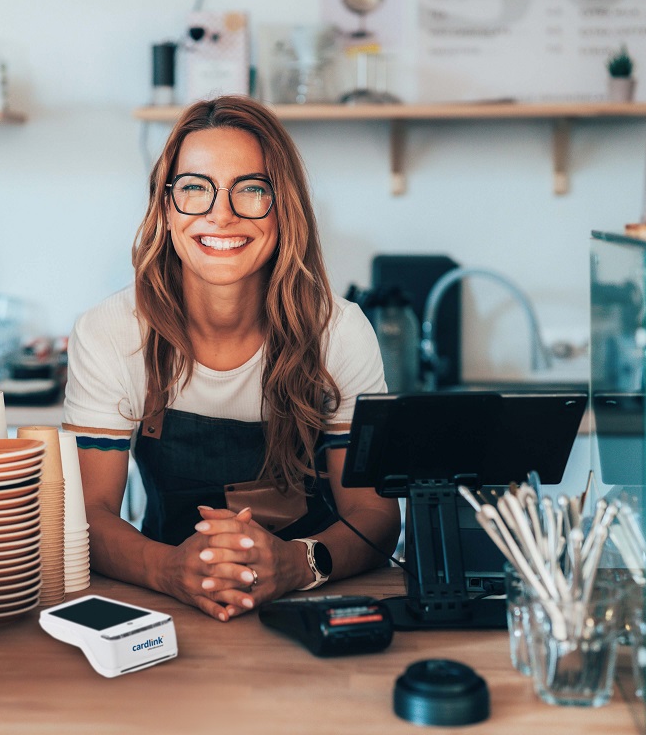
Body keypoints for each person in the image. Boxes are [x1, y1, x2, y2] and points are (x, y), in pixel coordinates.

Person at [63, 95, 400, 622]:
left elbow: (375, 513)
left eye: (251, 189)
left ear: (283, 206)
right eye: (196, 189)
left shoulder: (337, 330)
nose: (221, 214)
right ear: (166, 207)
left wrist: (296, 563)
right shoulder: (111, 332)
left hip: (317, 605)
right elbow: (89, 513)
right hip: (165, 608)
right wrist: (170, 570)